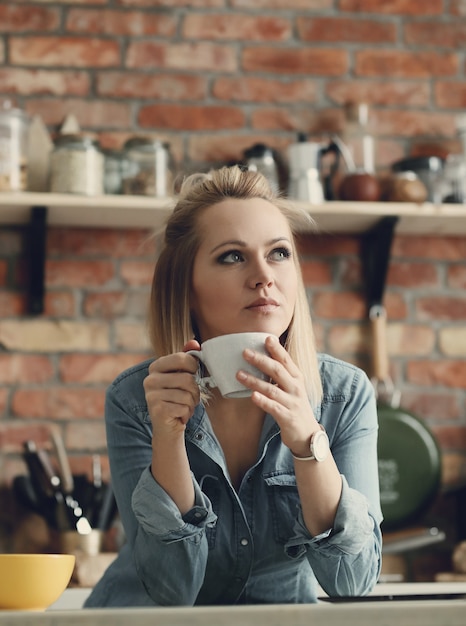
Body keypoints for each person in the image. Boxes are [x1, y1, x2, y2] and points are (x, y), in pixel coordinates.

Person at [85, 166, 382, 608]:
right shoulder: (135, 400)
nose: (264, 275)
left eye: (279, 253)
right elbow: (172, 590)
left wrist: (305, 439)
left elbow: (352, 583)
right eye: (232, 256)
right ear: (185, 287)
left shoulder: (344, 395)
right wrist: (169, 437)